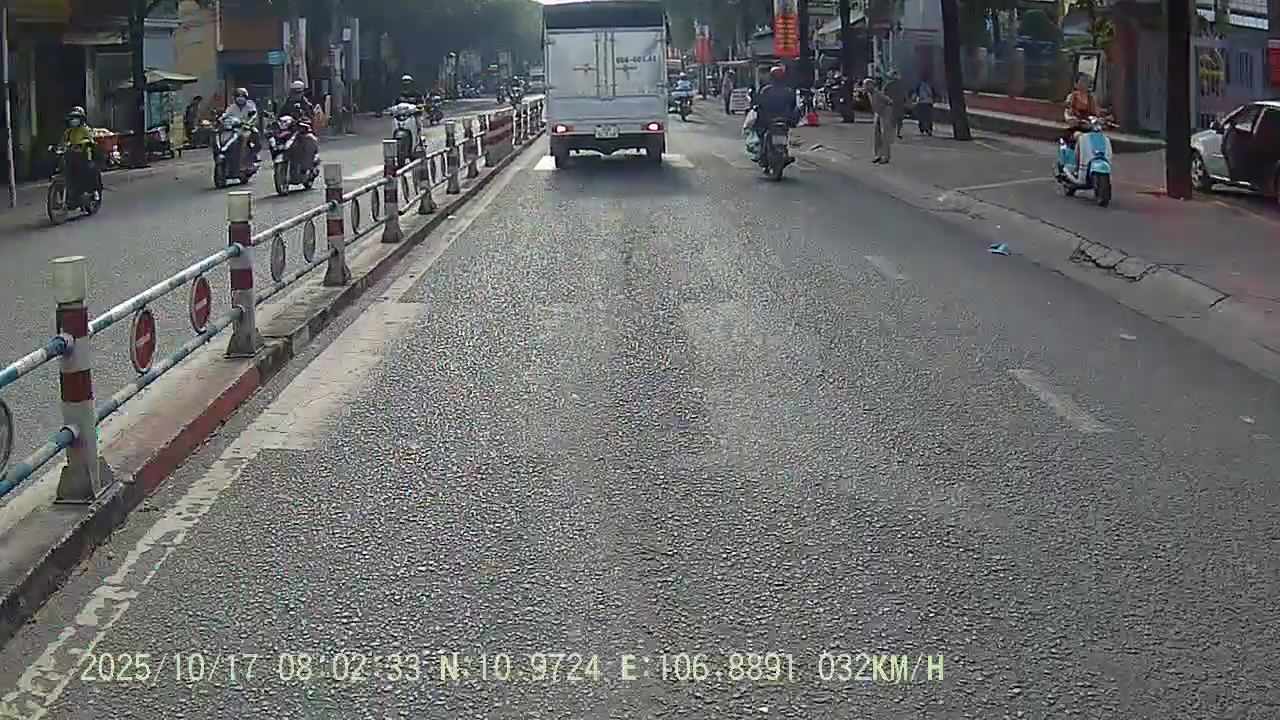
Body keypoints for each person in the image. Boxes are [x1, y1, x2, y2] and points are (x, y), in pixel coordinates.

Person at [752, 65, 798, 167]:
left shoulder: (765, 90)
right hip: (784, 119)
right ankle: (783, 153)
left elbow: (759, 104)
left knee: (760, 132)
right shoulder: (788, 91)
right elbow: (793, 105)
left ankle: (761, 154)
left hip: (769, 119)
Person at [60, 107, 102, 201]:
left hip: (84, 156)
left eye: (76, 118)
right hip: (71, 156)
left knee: (88, 171)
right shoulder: (68, 131)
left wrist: (84, 143)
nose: (74, 120)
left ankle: (94, 191)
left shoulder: (85, 130)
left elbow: (91, 140)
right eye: (72, 118)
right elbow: (63, 142)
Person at [223, 88, 261, 162]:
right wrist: (221, 119)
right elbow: (225, 115)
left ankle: (254, 153)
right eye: (238, 96)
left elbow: (254, 116)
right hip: (235, 128)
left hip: (248, 127)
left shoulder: (250, 105)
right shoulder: (232, 107)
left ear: (246, 97)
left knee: (255, 133)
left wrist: (249, 123)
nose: (240, 98)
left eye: (242, 96)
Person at [1062, 73, 1100, 148]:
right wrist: (1071, 119)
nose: (1085, 84)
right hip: (1075, 128)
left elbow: (1095, 115)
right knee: (1080, 136)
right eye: (1082, 81)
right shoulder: (1072, 97)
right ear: (1076, 84)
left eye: (1087, 81)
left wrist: (1095, 121)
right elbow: (1067, 112)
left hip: (1088, 128)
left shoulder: (1092, 99)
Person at [865, 78, 894, 164]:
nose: (865, 87)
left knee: (884, 135)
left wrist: (886, 110)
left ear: (871, 85)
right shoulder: (869, 94)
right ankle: (878, 155)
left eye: (866, 85)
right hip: (877, 113)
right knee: (876, 135)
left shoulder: (878, 93)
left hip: (884, 112)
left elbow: (889, 101)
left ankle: (886, 157)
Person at [884, 71, 907, 140]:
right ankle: (897, 132)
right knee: (897, 119)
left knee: (896, 119)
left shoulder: (889, 85)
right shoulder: (890, 85)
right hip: (895, 104)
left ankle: (896, 132)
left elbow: (884, 94)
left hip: (896, 104)